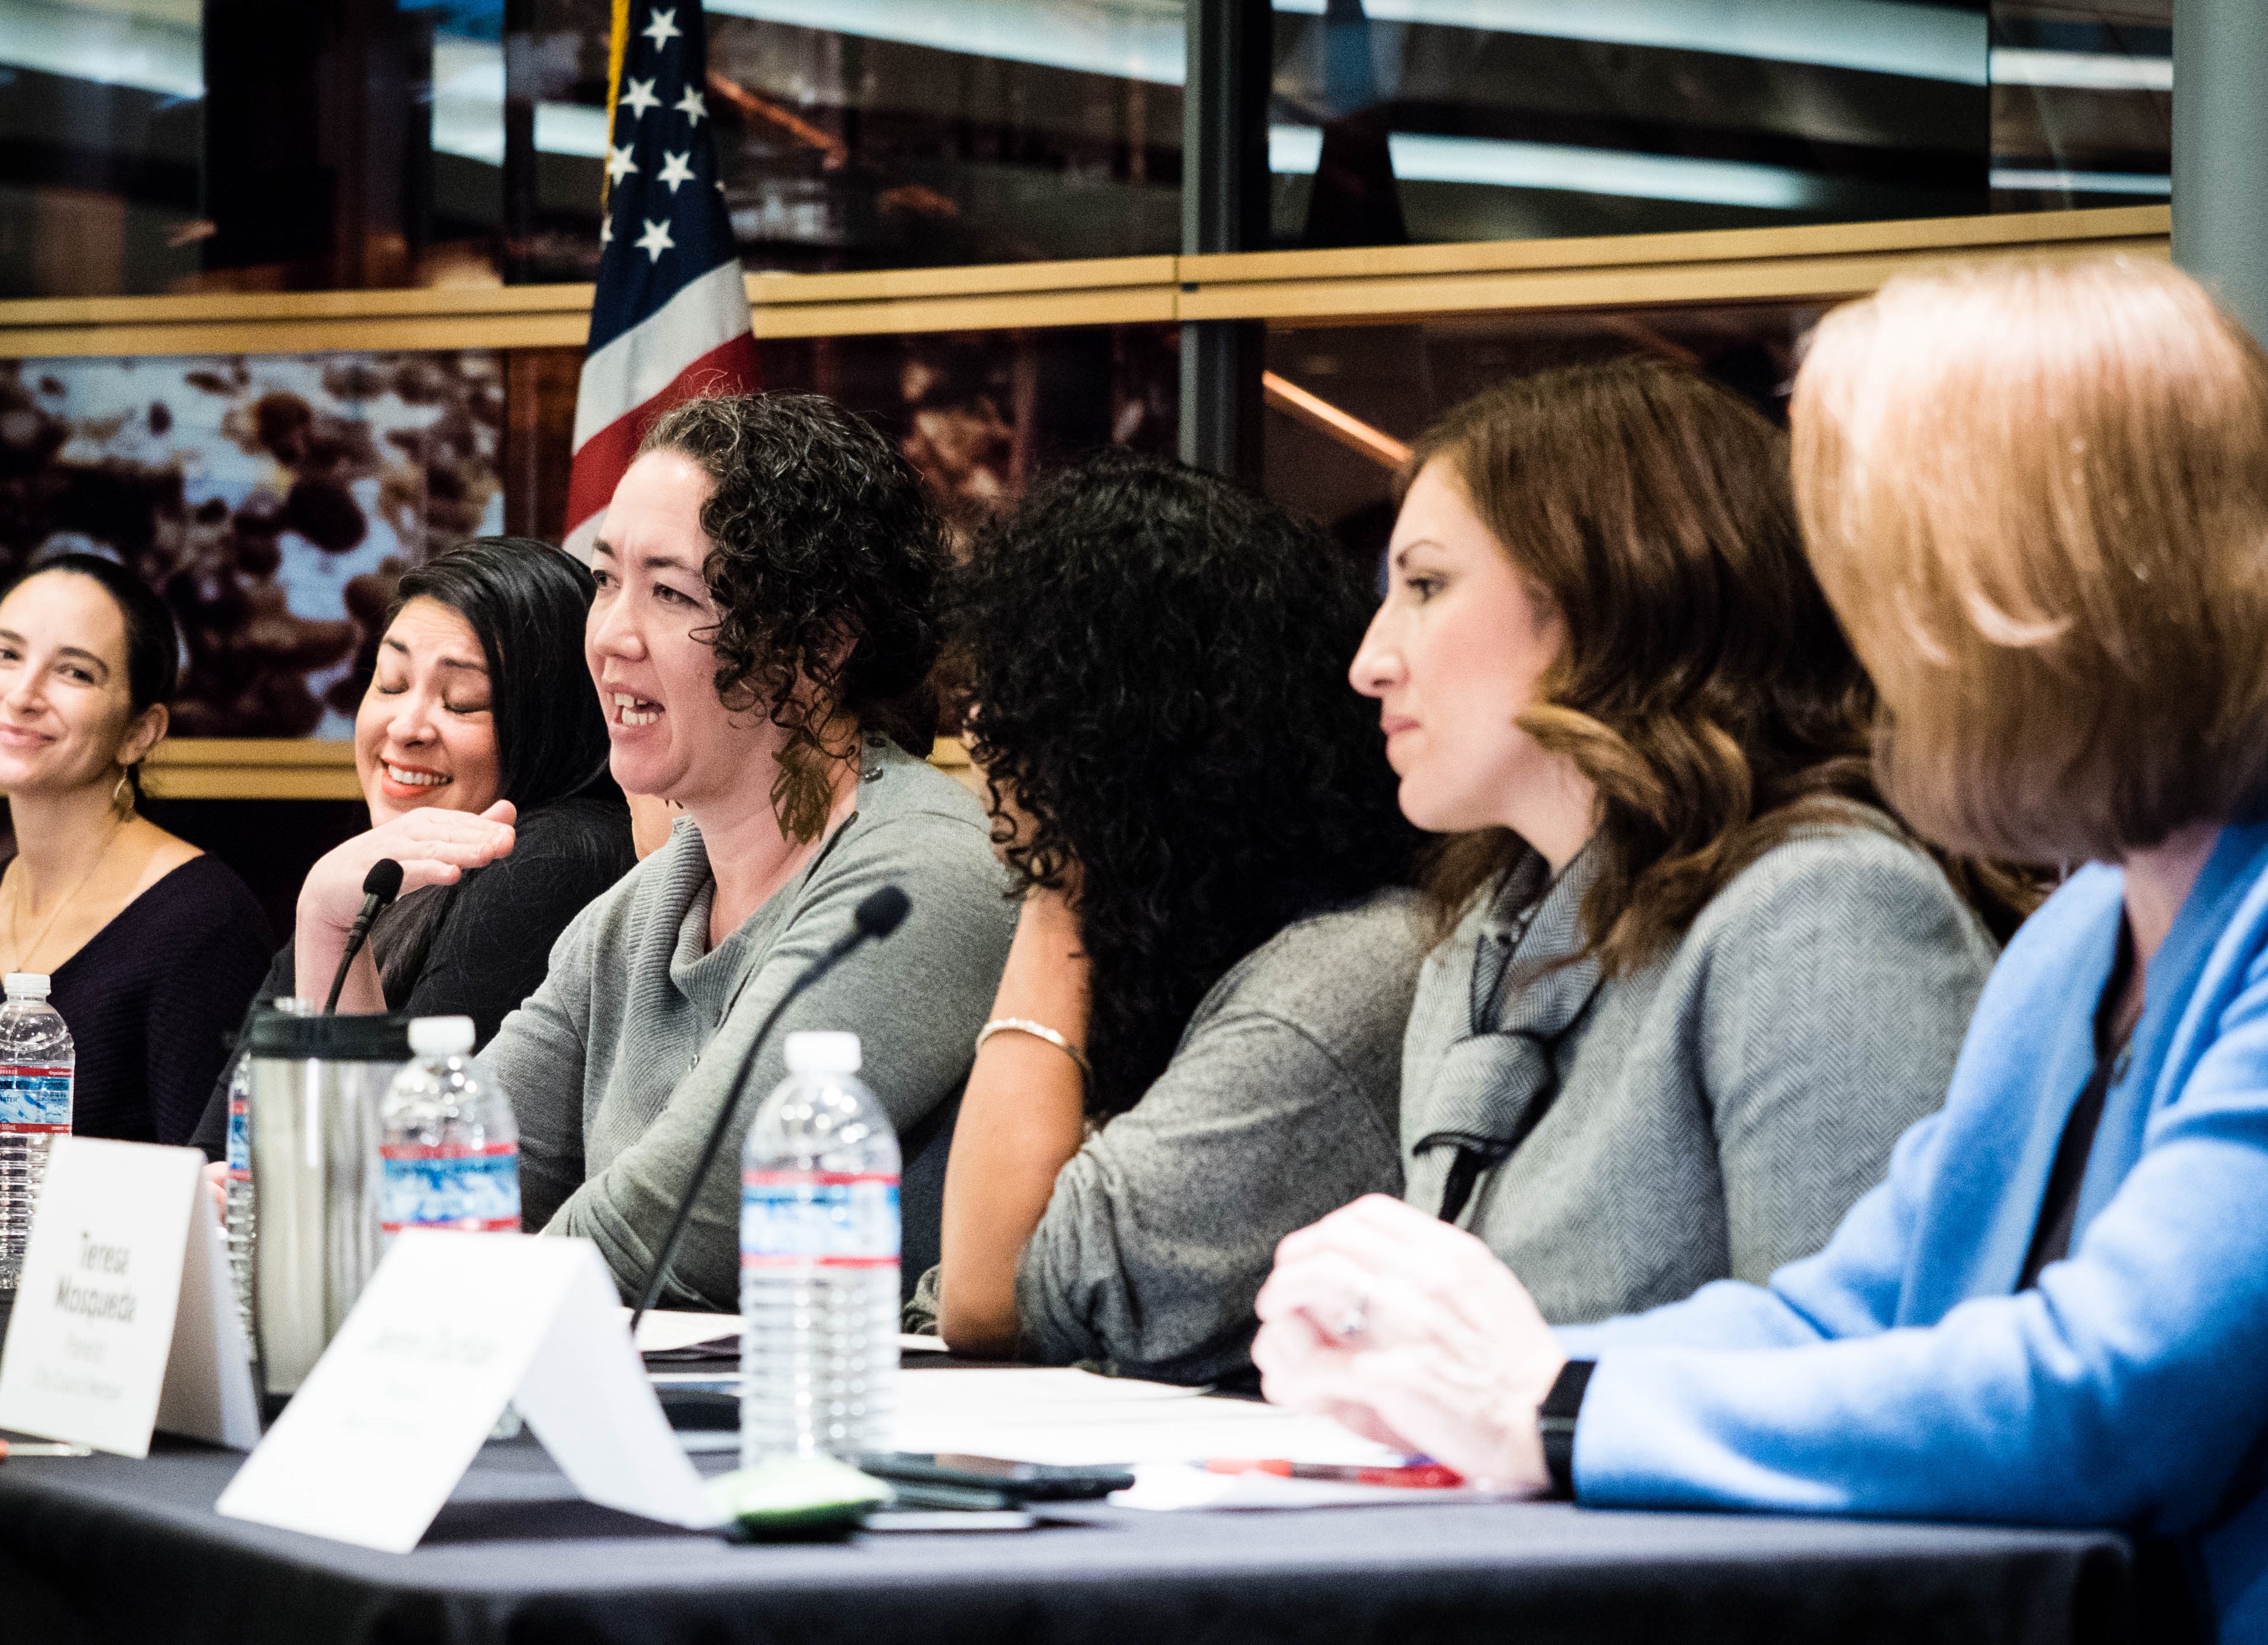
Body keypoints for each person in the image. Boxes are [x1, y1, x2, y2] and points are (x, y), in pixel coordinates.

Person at [1253, 256, 2268, 1638]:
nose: (1859, 647)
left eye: (1891, 585)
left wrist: (1545, 1405)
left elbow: (2121, 1400)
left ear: (2053, 605)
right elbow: (1842, 1316)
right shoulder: (2081, 937)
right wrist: (1464, 1381)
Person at [1354, 356, 2009, 1328]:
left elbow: (1856, 1383)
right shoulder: (1482, 940)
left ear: (1613, 596)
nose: (1372, 661)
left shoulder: (1823, 913)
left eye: (1427, 585)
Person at [489, 391, 1016, 1311]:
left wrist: (435, 1302)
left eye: (672, 593)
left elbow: (666, 1228)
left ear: (819, 647)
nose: (611, 635)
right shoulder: (635, 915)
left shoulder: (921, 877)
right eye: (608, 579)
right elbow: (447, 1171)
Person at [930, 460, 1432, 1384]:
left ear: (1118, 737)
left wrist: (1063, 866)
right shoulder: (1208, 931)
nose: (983, 734)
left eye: (1019, 708)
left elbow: (987, 1296)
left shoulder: (1345, 976)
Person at [190, 537, 635, 1162]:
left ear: (548, 721)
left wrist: (323, 907)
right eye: (391, 683)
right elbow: (219, 1150)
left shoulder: (555, 856)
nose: (405, 727)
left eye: (462, 702)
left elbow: (394, 1172)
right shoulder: (374, 874)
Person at [0, 556, 271, 1178]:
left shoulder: (201, 923)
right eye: (5, 654)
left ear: (140, 732)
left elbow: (222, 1202)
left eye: (75, 671)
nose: (22, 694)